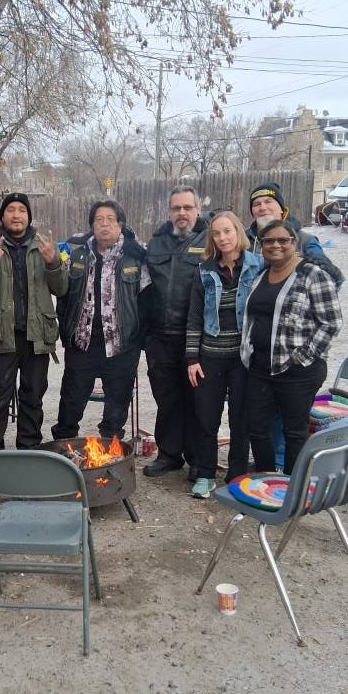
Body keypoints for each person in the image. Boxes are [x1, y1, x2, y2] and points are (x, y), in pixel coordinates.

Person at [240, 219, 342, 474]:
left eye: (282, 240)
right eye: (269, 241)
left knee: (294, 431)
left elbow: (331, 322)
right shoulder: (261, 275)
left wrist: (302, 357)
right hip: (261, 366)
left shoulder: (312, 275)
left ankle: (292, 486)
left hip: (299, 371)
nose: (275, 245)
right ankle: (266, 479)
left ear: (294, 243)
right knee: (257, 429)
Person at [0, 192, 68, 451]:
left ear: (29, 216)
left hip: (37, 335)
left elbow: (61, 288)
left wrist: (53, 263)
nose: (16, 215)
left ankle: (29, 448)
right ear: (2, 216)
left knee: (33, 396)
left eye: (22, 210)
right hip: (0, 335)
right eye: (11, 210)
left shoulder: (43, 245)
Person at [52, 200, 150, 441]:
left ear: (120, 225)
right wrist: (67, 334)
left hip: (121, 347)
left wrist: (137, 339)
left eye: (110, 219)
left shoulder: (136, 256)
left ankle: (111, 450)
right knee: (70, 404)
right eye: (98, 219)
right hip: (83, 344)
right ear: (92, 225)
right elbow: (64, 297)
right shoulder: (77, 254)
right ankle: (63, 448)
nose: (104, 224)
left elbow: (147, 300)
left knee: (116, 409)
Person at [185, 212, 264, 498]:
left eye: (227, 231)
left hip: (244, 357)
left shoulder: (258, 265)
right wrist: (192, 359)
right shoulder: (204, 271)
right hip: (211, 356)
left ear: (237, 232)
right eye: (216, 234)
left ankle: (237, 475)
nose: (222, 238)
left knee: (240, 419)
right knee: (206, 417)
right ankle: (205, 474)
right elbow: (194, 317)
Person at [143, 186, 208, 479]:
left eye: (187, 207)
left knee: (196, 401)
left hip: (196, 338)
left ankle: (197, 459)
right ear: (168, 212)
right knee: (166, 399)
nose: (182, 213)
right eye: (176, 208)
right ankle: (169, 454)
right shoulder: (156, 242)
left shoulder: (210, 240)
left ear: (198, 210)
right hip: (160, 337)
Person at [247, 182, 344, 284]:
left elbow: (327, 280)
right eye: (257, 204)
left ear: (282, 209)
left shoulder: (306, 241)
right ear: (252, 212)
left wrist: (328, 268)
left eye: (268, 202)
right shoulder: (242, 239)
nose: (263, 208)